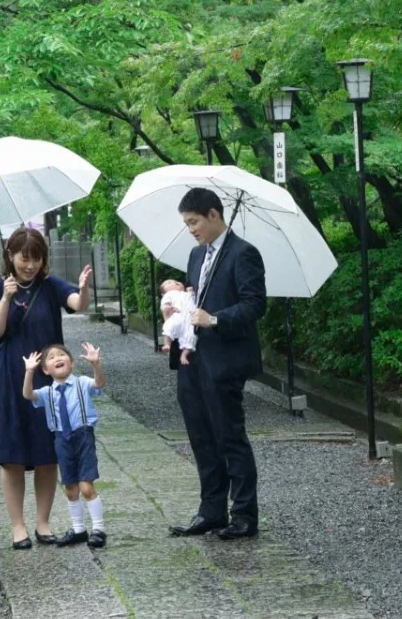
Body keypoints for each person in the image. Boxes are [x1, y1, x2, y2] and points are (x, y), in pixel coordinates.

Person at [0, 226, 94, 549]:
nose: (30, 266)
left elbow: (77, 304)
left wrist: (83, 290)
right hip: (9, 380)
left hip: (48, 382)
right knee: (11, 453)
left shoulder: (49, 285)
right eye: (24, 259)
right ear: (10, 256)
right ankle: (18, 527)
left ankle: (42, 522)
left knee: (46, 453)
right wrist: (6, 298)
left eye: (36, 259)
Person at [167, 186, 267, 540]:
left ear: (213, 215)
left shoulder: (244, 253)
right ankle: (211, 510)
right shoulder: (196, 256)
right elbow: (195, 301)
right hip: (191, 358)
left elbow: (255, 305)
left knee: (229, 437)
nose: (191, 229)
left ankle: (243, 514)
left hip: (224, 360)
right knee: (201, 437)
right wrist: (178, 310)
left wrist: (216, 319)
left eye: (193, 221)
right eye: (186, 223)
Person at [21, 342, 108, 548]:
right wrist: (28, 372)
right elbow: (28, 395)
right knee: (70, 487)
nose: (57, 358)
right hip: (61, 438)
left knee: (86, 486)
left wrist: (96, 364)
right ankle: (78, 529)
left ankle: (98, 528)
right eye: (51, 357)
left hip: (83, 435)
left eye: (62, 355)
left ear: (72, 362)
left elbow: (99, 384)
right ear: (45, 369)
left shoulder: (82, 383)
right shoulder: (46, 392)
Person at [159, 278, 200, 364]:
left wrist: (191, 292)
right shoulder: (169, 295)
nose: (174, 282)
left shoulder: (187, 293)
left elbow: (195, 298)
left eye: (176, 281)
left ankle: (184, 354)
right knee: (169, 326)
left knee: (192, 336)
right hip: (177, 316)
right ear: (164, 292)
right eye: (169, 283)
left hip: (190, 319)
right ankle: (167, 344)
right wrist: (167, 307)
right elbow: (164, 305)